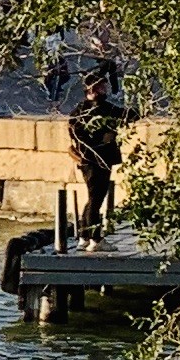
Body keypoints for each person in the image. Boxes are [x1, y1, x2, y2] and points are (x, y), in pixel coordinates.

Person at [67, 58, 128, 231]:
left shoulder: (77, 112)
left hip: (87, 159)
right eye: (102, 87)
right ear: (93, 90)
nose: (105, 90)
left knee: (94, 197)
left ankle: (85, 234)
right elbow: (127, 115)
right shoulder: (103, 109)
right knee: (96, 198)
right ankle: (93, 237)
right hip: (98, 159)